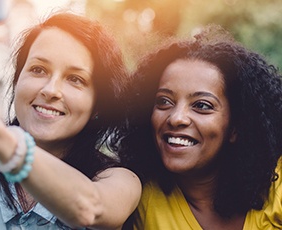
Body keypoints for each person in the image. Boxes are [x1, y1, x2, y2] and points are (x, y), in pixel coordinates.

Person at [0, 11, 141, 229]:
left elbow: (89, 209)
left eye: (75, 79)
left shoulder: (121, 181)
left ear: (98, 105)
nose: (51, 90)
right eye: (38, 70)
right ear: (17, 82)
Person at [120, 25, 282, 229]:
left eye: (202, 106)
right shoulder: (138, 200)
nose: (176, 118)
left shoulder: (277, 185)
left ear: (236, 127)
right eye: (164, 101)